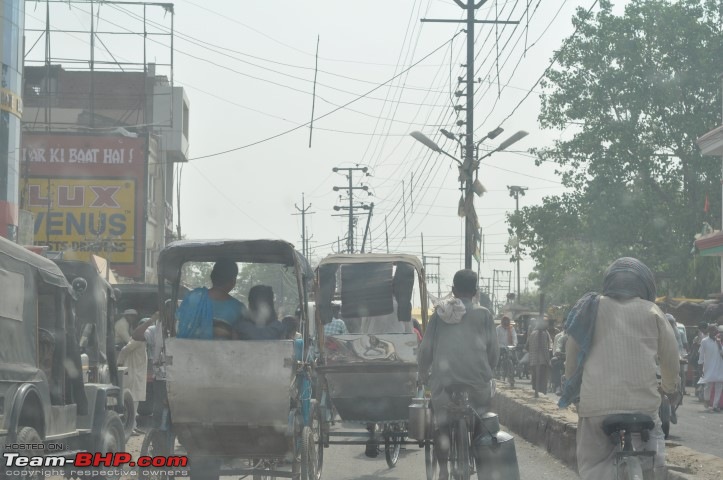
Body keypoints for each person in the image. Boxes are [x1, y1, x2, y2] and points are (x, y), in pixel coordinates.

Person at [561, 257, 679, 480]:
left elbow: (572, 358)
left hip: (596, 408)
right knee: (653, 467)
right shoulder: (653, 311)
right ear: (645, 285)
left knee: (593, 467)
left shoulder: (590, 309)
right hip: (644, 409)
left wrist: (575, 393)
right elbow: (671, 360)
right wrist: (669, 388)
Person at [418, 269, 499, 480]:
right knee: (483, 420)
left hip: (444, 384)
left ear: (453, 290)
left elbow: (426, 349)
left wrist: (422, 372)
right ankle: (483, 461)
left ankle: (443, 469)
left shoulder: (440, 314)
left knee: (441, 423)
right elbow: (494, 352)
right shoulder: (485, 315)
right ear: (475, 292)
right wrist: (487, 372)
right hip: (477, 385)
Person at [177, 260, 245, 339]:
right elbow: (239, 339)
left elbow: (180, 322)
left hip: (185, 349)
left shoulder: (193, 297)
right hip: (225, 351)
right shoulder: (238, 308)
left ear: (212, 277)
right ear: (233, 280)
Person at [118, 318, 150, 435]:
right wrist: (119, 364)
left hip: (137, 375)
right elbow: (124, 350)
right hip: (133, 375)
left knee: (135, 402)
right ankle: (130, 427)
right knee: (133, 401)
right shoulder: (137, 340)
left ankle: (133, 426)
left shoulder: (141, 340)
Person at [698, 324, 723, 412]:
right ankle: (707, 402)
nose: (715, 332)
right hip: (708, 367)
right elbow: (701, 355)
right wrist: (700, 366)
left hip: (719, 367)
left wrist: (719, 344)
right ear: (709, 331)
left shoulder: (719, 341)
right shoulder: (704, 341)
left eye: (716, 330)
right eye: (713, 330)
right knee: (707, 385)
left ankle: (715, 406)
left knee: (719, 386)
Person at [527, 317, 553, 394]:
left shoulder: (532, 333)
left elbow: (528, 346)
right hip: (542, 362)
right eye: (546, 323)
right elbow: (545, 349)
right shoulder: (543, 334)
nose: (547, 325)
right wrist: (548, 362)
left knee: (535, 384)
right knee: (542, 384)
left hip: (533, 362)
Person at [551, 325, 568, 396]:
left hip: (576, 359)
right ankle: (558, 386)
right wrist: (558, 351)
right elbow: (558, 347)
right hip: (564, 359)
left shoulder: (577, 338)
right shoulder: (562, 338)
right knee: (555, 363)